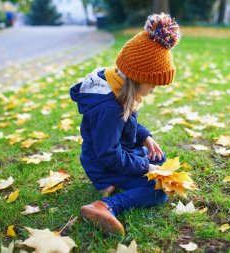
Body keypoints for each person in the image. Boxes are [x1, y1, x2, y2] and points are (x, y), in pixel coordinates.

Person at [69, 13, 181, 236]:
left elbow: (126, 126)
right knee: (159, 190)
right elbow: (108, 153)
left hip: (120, 154)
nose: (153, 90)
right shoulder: (109, 108)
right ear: (137, 77)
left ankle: (112, 186)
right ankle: (105, 206)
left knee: (159, 160)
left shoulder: (117, 86)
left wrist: (145, 137)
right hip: (105, 165)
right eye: (153, 84)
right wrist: (144, 168)